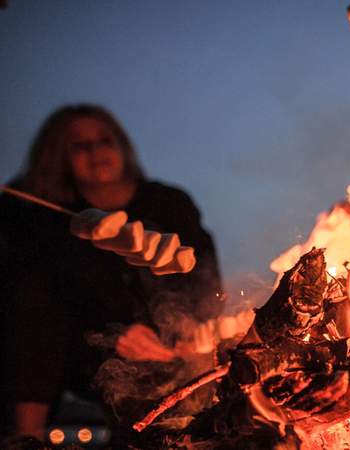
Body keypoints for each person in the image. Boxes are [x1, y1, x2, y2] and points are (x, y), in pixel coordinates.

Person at [0, 104, 223, 442]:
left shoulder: (168, 203)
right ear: (58, 157)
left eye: (104, 140)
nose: (95, 151)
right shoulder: (43, 222)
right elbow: (37, 318)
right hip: (99, 377)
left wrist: (192, 328)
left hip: (185, 366)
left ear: (122, 146)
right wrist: (109, 339)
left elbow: (205, 277)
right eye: (79, 145)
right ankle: (24, 437)